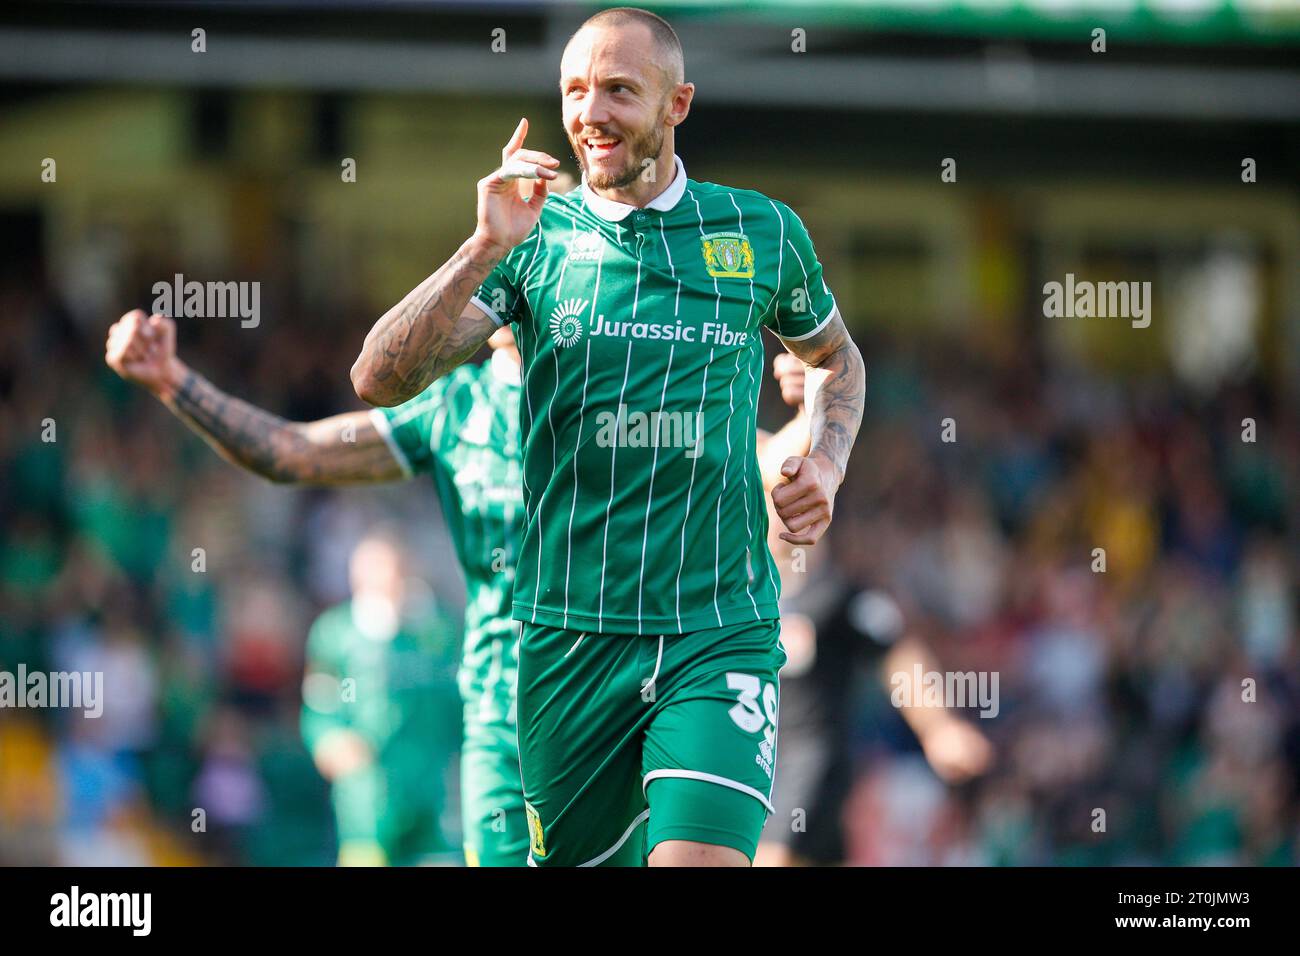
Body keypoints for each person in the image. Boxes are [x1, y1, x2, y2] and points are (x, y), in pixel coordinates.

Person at [349, 6, 866, 866]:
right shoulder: (530, 239)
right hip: (568, 635)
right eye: (575, 91)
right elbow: (378, 377)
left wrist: (827, 458)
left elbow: (837, 359)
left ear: (678, 104)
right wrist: (481, 247)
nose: (592, 113)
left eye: (620, 90)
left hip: (720, 624)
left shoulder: (761, 231)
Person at [300, 530, 461, 866]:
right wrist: (330, 741)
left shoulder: (439, 631)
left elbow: (461, 703)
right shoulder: (336, 633)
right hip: (367, 798)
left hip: (434, 795)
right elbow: (319, 706)